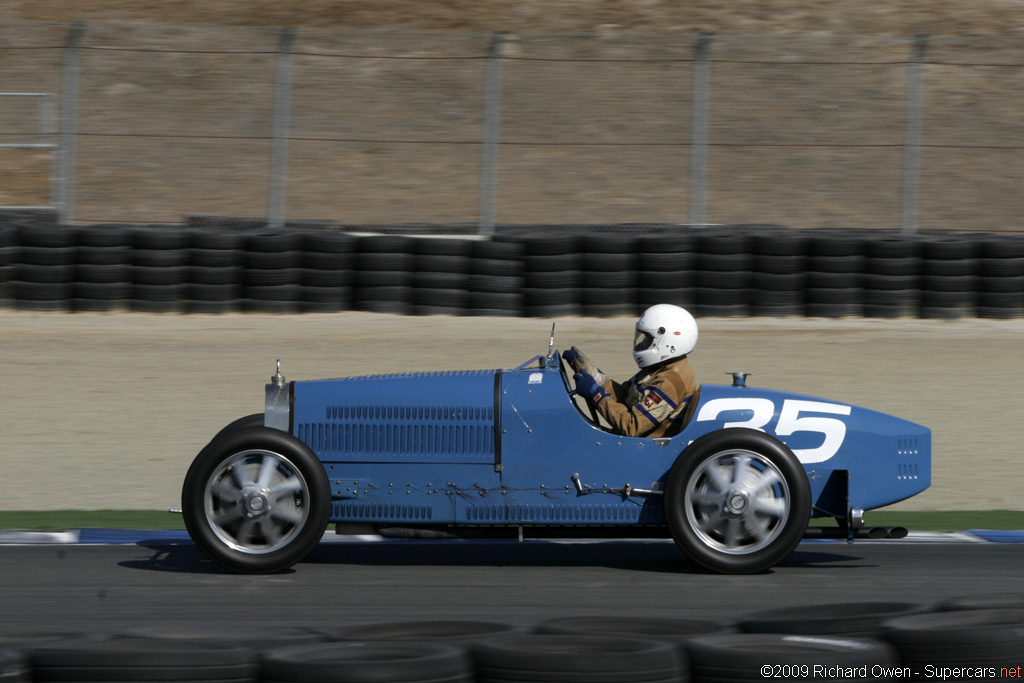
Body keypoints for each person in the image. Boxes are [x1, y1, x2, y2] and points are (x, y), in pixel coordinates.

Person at [565, 303, 698, 438]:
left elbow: (632, 427)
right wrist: (595, 376)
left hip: (645, 450)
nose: (642, 344)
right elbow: (624, 396)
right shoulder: (658, 369)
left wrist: (596, 395)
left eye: (648, 339)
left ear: (669, 341)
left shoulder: (671, 381)